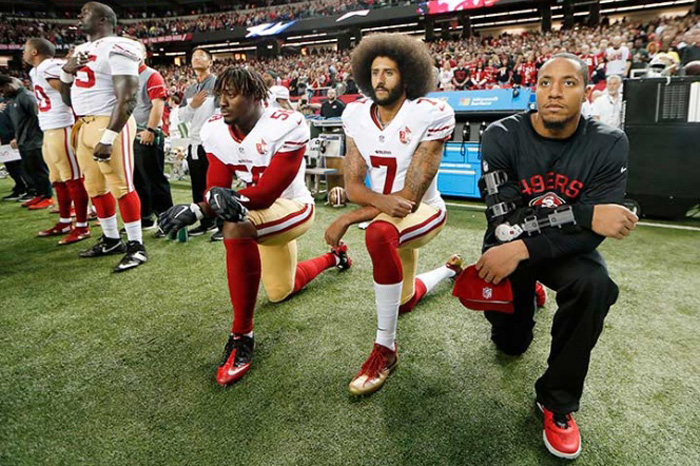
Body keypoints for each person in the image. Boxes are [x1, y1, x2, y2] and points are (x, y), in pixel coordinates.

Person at [474, 53, 637, 459]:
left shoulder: (609, 143)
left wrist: (525, 247)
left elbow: (593, 235)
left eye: (568, 83)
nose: (554, 92)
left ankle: (557, 401)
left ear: (586, 91)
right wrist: (583, 214)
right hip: (510, 244)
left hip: (548, 249)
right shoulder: (500, 135)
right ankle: (528, 293)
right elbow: (503, 221)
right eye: (545, 82)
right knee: (511, 345)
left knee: (595, 284)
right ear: (535, 89)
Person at [158, 67, 352, 386]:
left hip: (293, 207)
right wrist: (197, 208)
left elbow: (266, 195)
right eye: (220, 95)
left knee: (235, 226)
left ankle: (242, 336)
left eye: (231, 94)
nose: (222, 102)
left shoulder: (286, 125)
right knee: (280, 291)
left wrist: (207, 207)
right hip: (257, 212)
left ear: (256, 96)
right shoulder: (216, 130)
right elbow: (216, 187)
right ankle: (335, 257)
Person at [325, 34, 461, 397]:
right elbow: (354, 186)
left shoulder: (429, 114)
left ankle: (385, 349)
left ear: (408, 75)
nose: (380, 80)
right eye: (374, 72)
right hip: (389, 212)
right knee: (403, 301)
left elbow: (408, 201)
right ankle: (449, 270)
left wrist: (348, 218)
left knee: (377, 233)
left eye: (389, 72)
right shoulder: (356, 115)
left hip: (425, 210)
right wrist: (373, 203)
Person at [58, 1, 146, 272]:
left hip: (109, 122)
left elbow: (128, 97)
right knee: (94, 187)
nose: (79, 16)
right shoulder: (80, 50)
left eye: (85, 12)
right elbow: (66, 99)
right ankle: (111, 239)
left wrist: (109, 137)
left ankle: (136, 245)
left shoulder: (120, 45)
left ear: (103, 19)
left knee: (122, 185)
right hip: (83, 123)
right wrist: (66, 71)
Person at [24, 37, 91, 244]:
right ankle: (65, 221)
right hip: (49, 128)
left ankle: (82, 226)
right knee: (57, 179)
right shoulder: (35, 71)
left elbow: (67, 91)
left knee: (73, 178)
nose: (23, 53)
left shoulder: (49, 66)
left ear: (35, 52)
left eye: (26, 49)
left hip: (62, 126)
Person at [131, 41, 173, 232]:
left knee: (154, 179)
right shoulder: (125, 76)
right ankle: (145, 217)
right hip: (131, 133)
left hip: (146, 132)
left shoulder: (151, 75)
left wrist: (151, 129)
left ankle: (168, 220)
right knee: (137, 179)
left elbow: (158, 105)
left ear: (144, 54)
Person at [178, 47, 218, 238]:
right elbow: (181, 116)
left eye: (202, 56)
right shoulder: (190, 89)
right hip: (194, 143)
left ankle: (222, 223)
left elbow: (221, 113)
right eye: (194, 56)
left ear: (210, 61)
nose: (197, 58)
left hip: (213, 143)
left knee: (216, 184)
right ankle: (206, 221)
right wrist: (192, 105)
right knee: (198, 185)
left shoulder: (217, 84)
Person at [0, 76, 53, 210]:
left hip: (34, 140)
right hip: (24, 141)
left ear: (10, 85)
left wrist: (37, 136)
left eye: (3, 89)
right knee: (31, 170)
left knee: (40, 170)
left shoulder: (27, 97)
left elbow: (38, 116)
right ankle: (39, 195)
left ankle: (47, 197)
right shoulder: (14, 99)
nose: (2, 92)